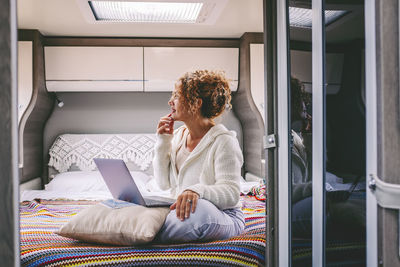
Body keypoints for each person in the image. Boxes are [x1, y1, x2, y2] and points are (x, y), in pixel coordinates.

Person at [153, 70, 245, 243]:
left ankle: (149, 233)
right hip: (182, 213)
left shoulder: (224, 141)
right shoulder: (179, 136)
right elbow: (163, 184)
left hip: (221, 214)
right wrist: (163, 141)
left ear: (196, 103)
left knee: (199, 211)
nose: (170, 102)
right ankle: (150, 229)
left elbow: (231, 193)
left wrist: (197, 190)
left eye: (177, 96)